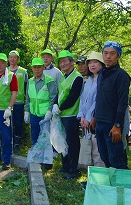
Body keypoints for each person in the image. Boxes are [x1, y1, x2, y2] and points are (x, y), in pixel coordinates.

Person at [93, 41, 131, 169]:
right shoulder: (101, 74)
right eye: (105, 53)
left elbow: (123, 102)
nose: (108, 56)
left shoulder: (122, 76)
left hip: (113, 125)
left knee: (116, 159)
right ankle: (111, 184)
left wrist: (118, 125)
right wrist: (94, 118)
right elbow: (99, 98)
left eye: (112, 54)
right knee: (104, 156)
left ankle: (122, 186)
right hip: (100, 123)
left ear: (118, 56)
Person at [53, 50, 83, 179]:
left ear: (72, 62)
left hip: (71, 115)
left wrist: (60, 108)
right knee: (62, 140)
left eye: (65, 61)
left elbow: (72, 97)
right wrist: (55, 104)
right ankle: (65, 165)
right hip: (61, 115)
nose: (62, 64)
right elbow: (60, 93)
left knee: (72, 142)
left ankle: (73, 169)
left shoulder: (77, 77)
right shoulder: (64, 77)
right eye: (60, 62)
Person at [24, 58, 57, 169]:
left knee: (46, 139)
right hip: (34, 113)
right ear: (32, 68)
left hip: (45, 115)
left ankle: (47, 161)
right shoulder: (30, 81)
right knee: (35, 137)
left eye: (39, 67)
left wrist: (49, 111)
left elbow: (53, 97)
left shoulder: (49, 80)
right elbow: (28, 98)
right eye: (35, 67)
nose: (37, 69)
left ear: (43, 67)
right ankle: (36, 158)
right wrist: (26, 111)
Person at [77, 52, 105, 167]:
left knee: (97, 151)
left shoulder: (103, 79)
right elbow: (83, 99)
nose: (92, 65)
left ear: (102, 64)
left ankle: (99, 179)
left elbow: (98, 101)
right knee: (89, 149)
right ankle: (91, 178)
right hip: (86, 121)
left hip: (96, 120)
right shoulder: (89, 79)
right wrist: (82, 116)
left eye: (95, 62)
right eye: (90, 63)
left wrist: (88, 117)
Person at [8, 50, 28, 153]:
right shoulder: (5, 70)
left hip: (19, 102)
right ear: (8, 59)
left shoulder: (23, 71)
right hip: (7, 102)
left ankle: (17, 143)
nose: (12, 59)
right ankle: (9, 143)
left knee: (18, 124)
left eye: (15, 57)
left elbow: (27, 88)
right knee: (7, 123)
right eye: (11, 57)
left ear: (18, 59)